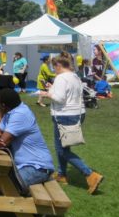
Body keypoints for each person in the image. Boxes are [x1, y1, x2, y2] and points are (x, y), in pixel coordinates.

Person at [39, 57, 104, 194]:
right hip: (77, 113)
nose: (53, 70)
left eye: (54, 67)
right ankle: (62, 175)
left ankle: (90, 175)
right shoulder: (75, 76)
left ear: (58, 65)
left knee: (61, 149)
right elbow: (69, 93)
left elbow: (60, 98)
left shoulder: (61, 78)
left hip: (65, 115)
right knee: (63, 146)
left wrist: (46, 94)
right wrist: (53, 89)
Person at [0, 88, 54, 193]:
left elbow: (2, 142)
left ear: (4, 105)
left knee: (3, 187)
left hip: (37, 168)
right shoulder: (12, 111)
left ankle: (22, 200)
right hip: (24, 165)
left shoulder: (20, 114)